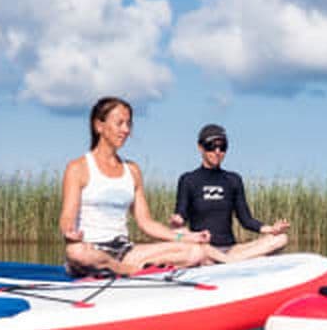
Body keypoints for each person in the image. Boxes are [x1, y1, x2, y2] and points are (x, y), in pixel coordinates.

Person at [60, 97, 222, 276]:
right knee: (76, 252)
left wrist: (185, 237)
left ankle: (125, 268)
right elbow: (67, 218)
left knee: (195, 251)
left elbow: (146, 223)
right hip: (91, 249)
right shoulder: (78, 168)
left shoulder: (132, 170)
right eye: (119, 123)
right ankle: (131, 270)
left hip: (124, 251)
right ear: (99, 126)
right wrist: (69, 233)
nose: (126, 130)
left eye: (128, 124)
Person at [170, 124, 289, 262]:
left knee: (281, 239)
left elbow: (246, 220)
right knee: (179, 233)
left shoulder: (233, 180)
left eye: (222, 147)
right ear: (200, 147)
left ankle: (226, 260)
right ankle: (230, 261)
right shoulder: (188, 180)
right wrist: (177, 221)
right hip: (203, 249)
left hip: (231, 249)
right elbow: (181, 215)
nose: (217, 152)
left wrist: (271, 229)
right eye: (211, 146)